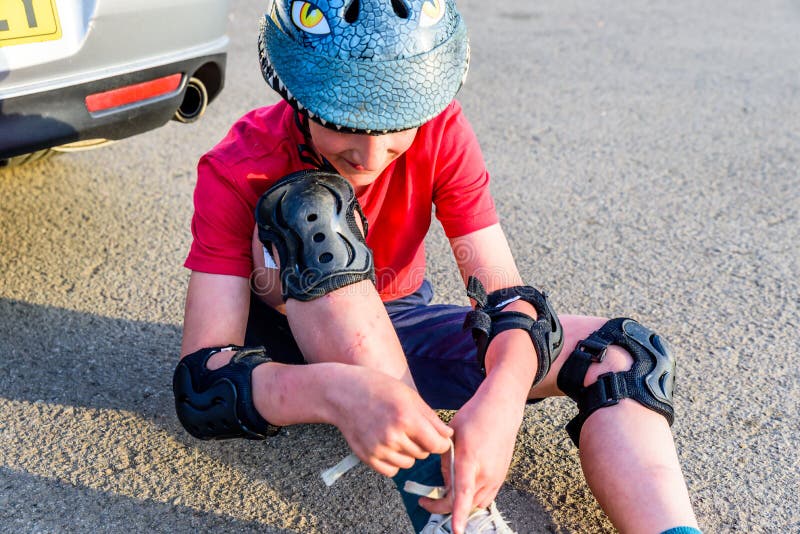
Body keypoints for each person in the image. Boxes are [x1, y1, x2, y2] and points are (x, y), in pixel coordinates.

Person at [173, 1, 702, 533]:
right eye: (344, 123)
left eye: (396, 123)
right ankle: (458, 519)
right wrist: (337, 390)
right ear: (295, 92)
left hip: (401, 321)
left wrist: (504, 399)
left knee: (622, 354)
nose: (371, 155)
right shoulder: (238, 168)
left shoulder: (440, 129)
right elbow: (203, 380)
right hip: (287, 347)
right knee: (313, 216)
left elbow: (506, 299)